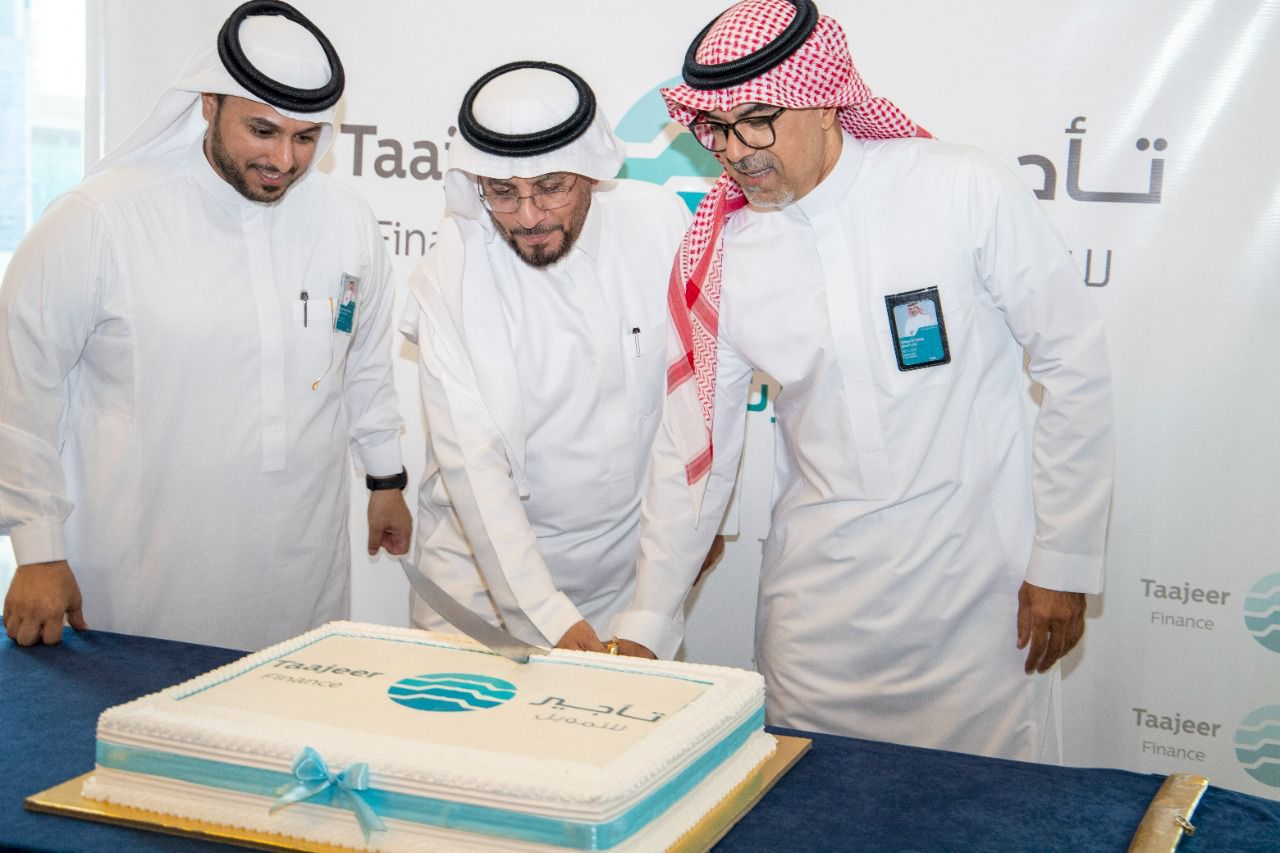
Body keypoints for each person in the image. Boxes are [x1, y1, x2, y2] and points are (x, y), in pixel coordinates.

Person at [611, 0, 1114, 762]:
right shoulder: (727, 253)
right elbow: (694, 450)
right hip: (819, 626)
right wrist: (647, 624)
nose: (735, 151)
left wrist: (1064, 560)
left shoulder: (959, 188)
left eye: (757, 122)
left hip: (979, 608)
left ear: (824, 99)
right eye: (716, 128)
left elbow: (1073, 360)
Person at [0, 0, 410, 651]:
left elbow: (361, 363)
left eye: (306, 138)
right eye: (262, 131)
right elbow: (20, 388)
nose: (284, 159)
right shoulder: (101, 218)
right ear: (209, 103)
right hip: (143, 573)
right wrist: (38, 546)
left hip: (300, 565)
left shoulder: (347, 220)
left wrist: (385, 479)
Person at [400, 61, 694, 652]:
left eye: (552, 187)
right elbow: (475, 466)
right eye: (502, 192)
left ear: (590, 171)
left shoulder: (660, 224)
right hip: (482, 582)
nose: (528, 216)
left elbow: (696, 399)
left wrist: (692, 539)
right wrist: (548, 617)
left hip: (630, 575)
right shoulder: (452, 271)